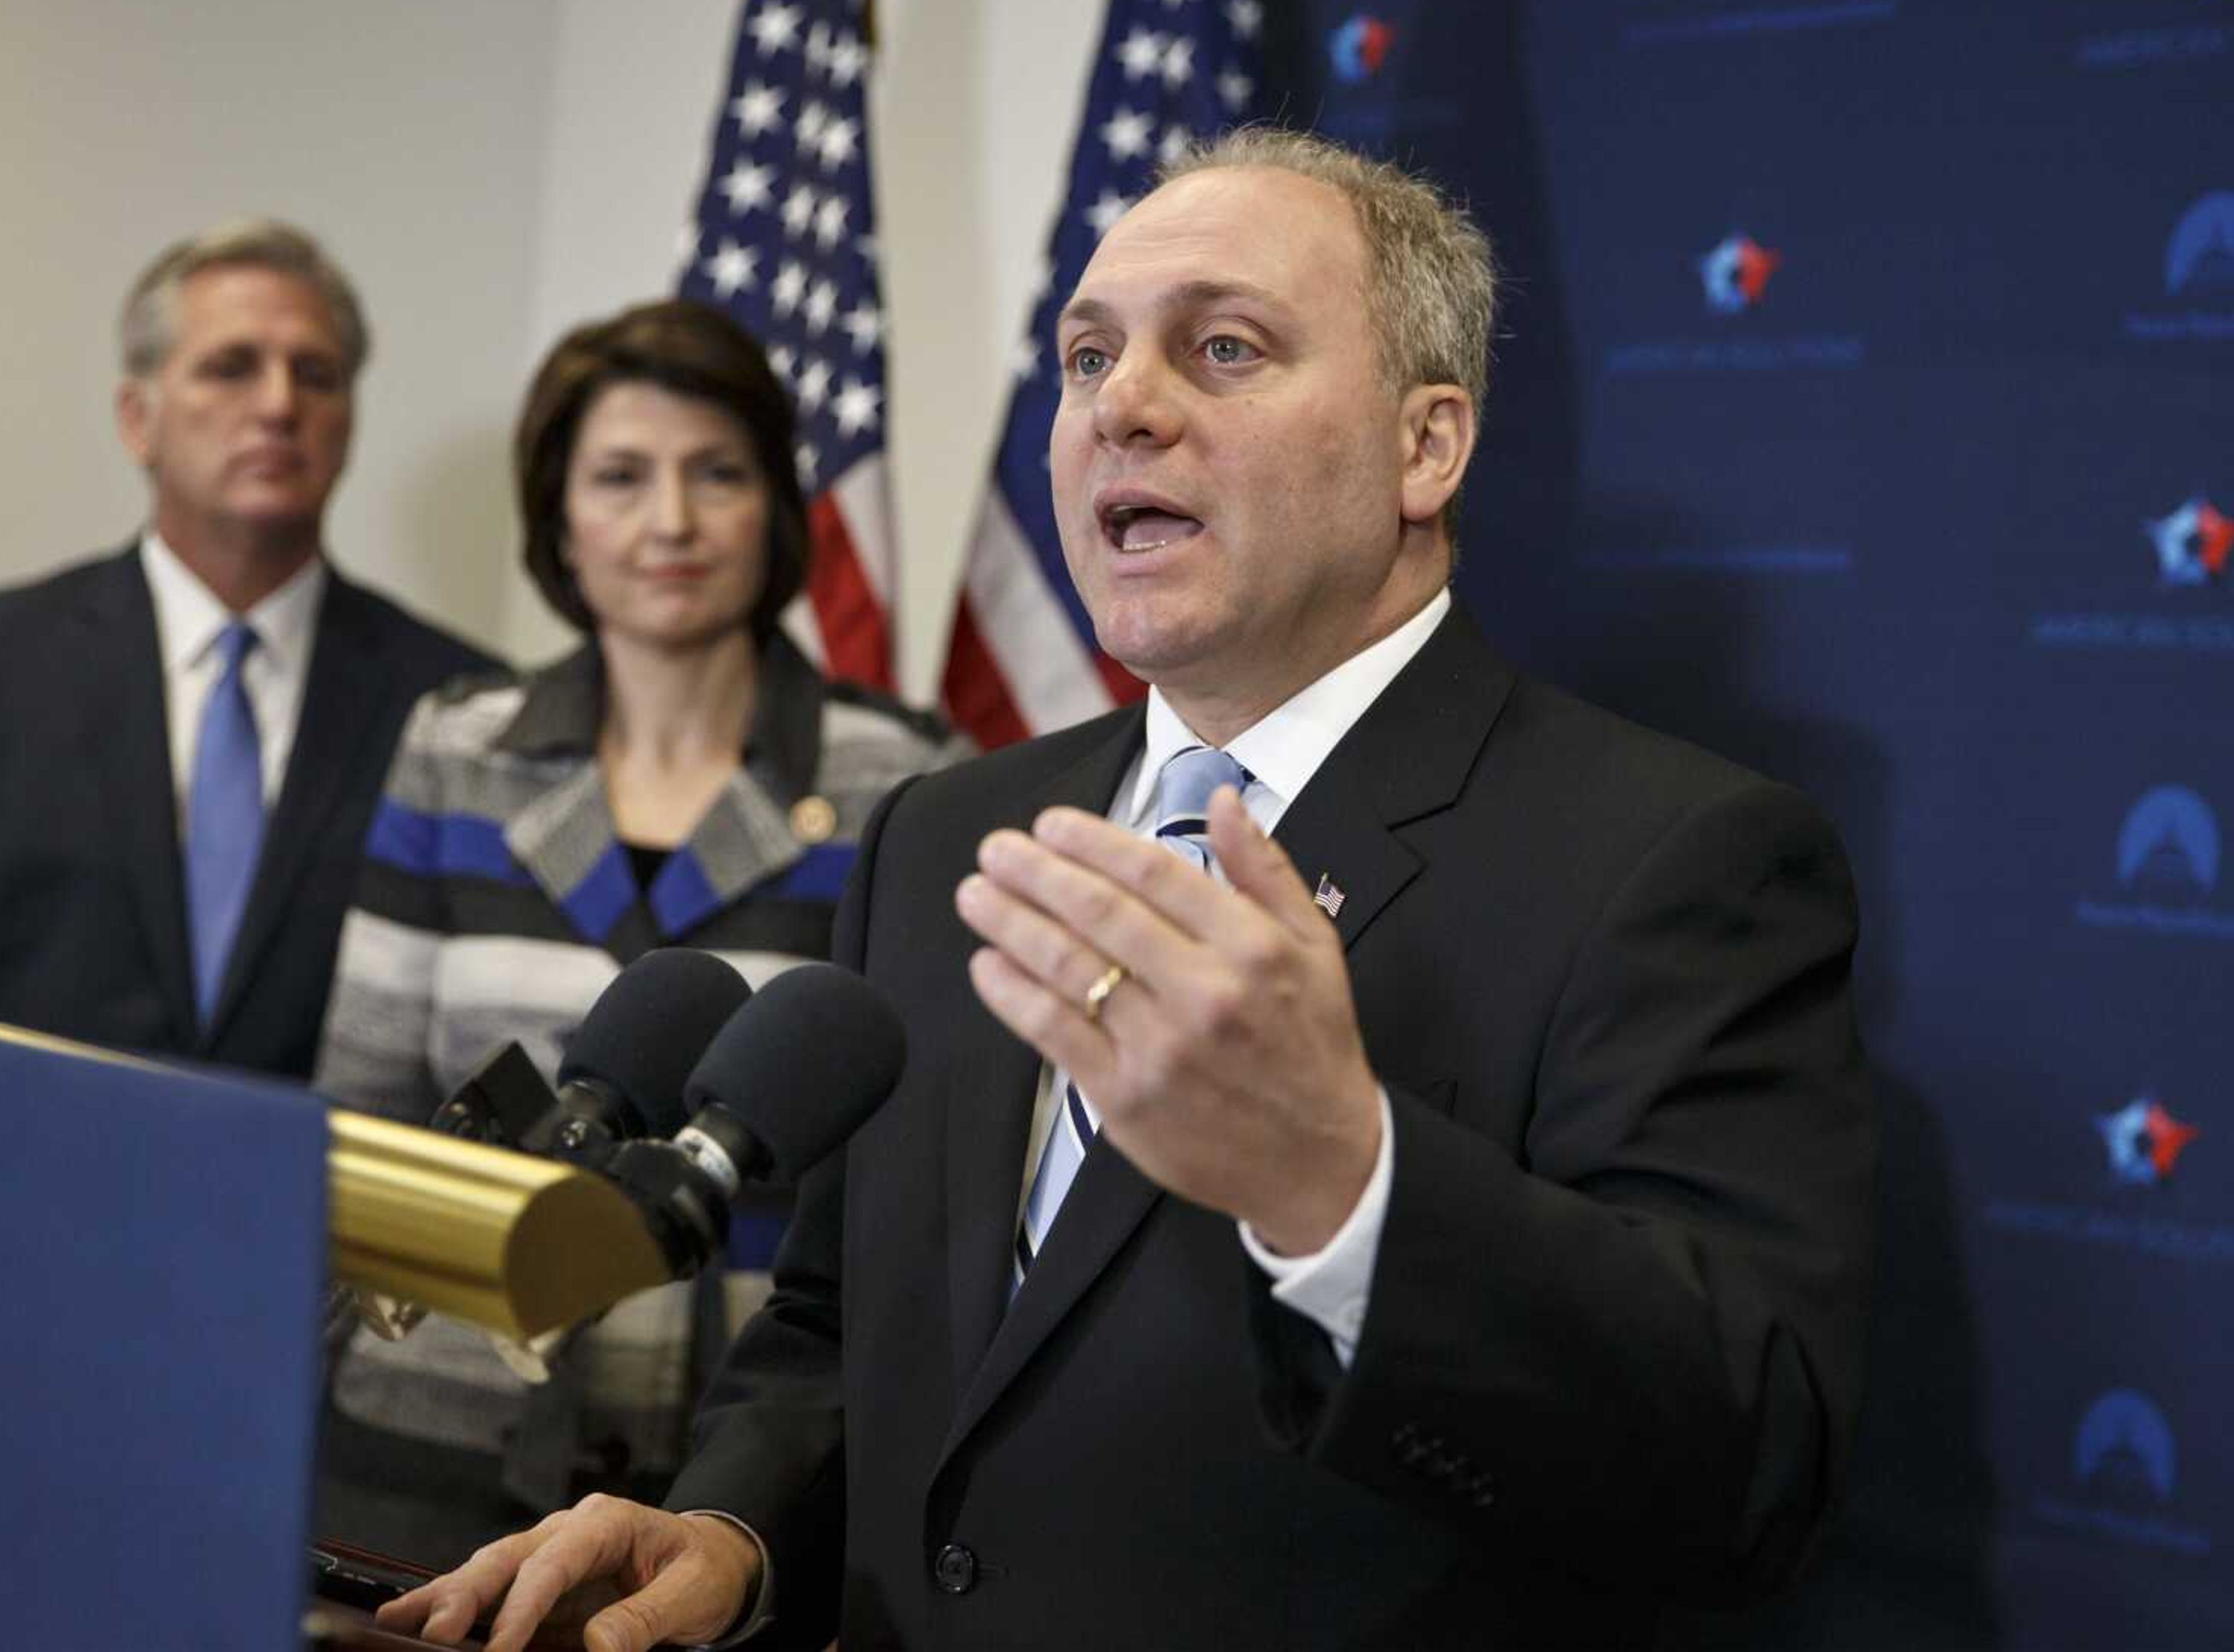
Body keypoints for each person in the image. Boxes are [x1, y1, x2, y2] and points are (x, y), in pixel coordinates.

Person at [382, 129, 1874, 1652]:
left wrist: (1342, 1185)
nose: (1124, 406)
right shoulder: (946, 834)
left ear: (1428, 447)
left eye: (1223, 349)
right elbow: (850, 1328)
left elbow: (1745, 1466)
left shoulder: (1673, 858)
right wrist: (733, 1526)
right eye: (1087, 356)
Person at [311, 299, 965, 1570]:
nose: (670, 522)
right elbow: (361, 1113)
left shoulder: (908, 779)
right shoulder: (458, 748)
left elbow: (906, 1187)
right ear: (559, 515)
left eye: (716, 474)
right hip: (421, 1451)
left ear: (775, 506)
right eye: (620, 477)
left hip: (724, 1491)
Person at [0, 219, 494, 1081]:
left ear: (349, 421)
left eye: (316, 374)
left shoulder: (455, 703)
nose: (280, 404)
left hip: (317, 1210)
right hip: (7, 1199)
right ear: (139, 419)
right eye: (231, 367)